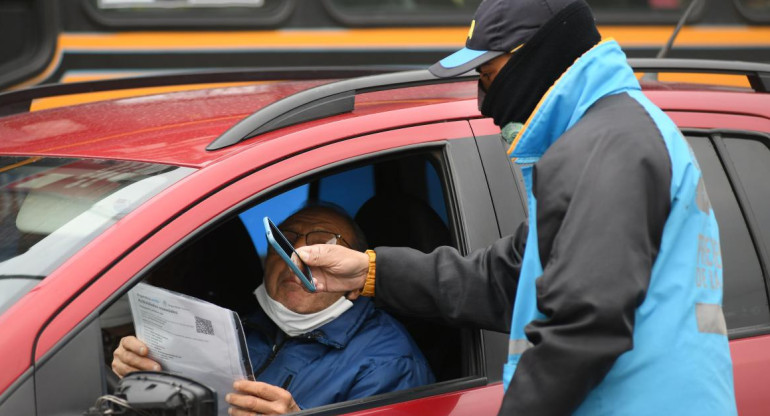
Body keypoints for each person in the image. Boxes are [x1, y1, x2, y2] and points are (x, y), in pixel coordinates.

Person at [295, 0, 738, 415]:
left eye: (487, 75)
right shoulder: (608, 133)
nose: (484, 99)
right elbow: (510, 277)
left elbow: (583, 324)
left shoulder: (605, 146)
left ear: (538, 56)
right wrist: (370, 271)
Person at [112, 204, 434, 415]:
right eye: (286, 243)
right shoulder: (231, 323)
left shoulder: (389, 365)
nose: (300, 259)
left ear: (353, 278)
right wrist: (142, 377)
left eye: (324, 246)